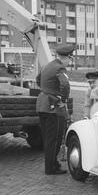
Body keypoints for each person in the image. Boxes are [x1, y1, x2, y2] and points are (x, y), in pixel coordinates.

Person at [36, 45, 73, 175]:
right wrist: (63, 99)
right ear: (67, 58)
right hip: (53, 107)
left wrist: (47, 90)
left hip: (42, 104)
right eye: (70, 59)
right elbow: (65, 84)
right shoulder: (60, 68)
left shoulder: (48, 65)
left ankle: (52, 164)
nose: (70, 62)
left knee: (48, 138)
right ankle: (51, 168)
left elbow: (38, 79)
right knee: (55, 139)